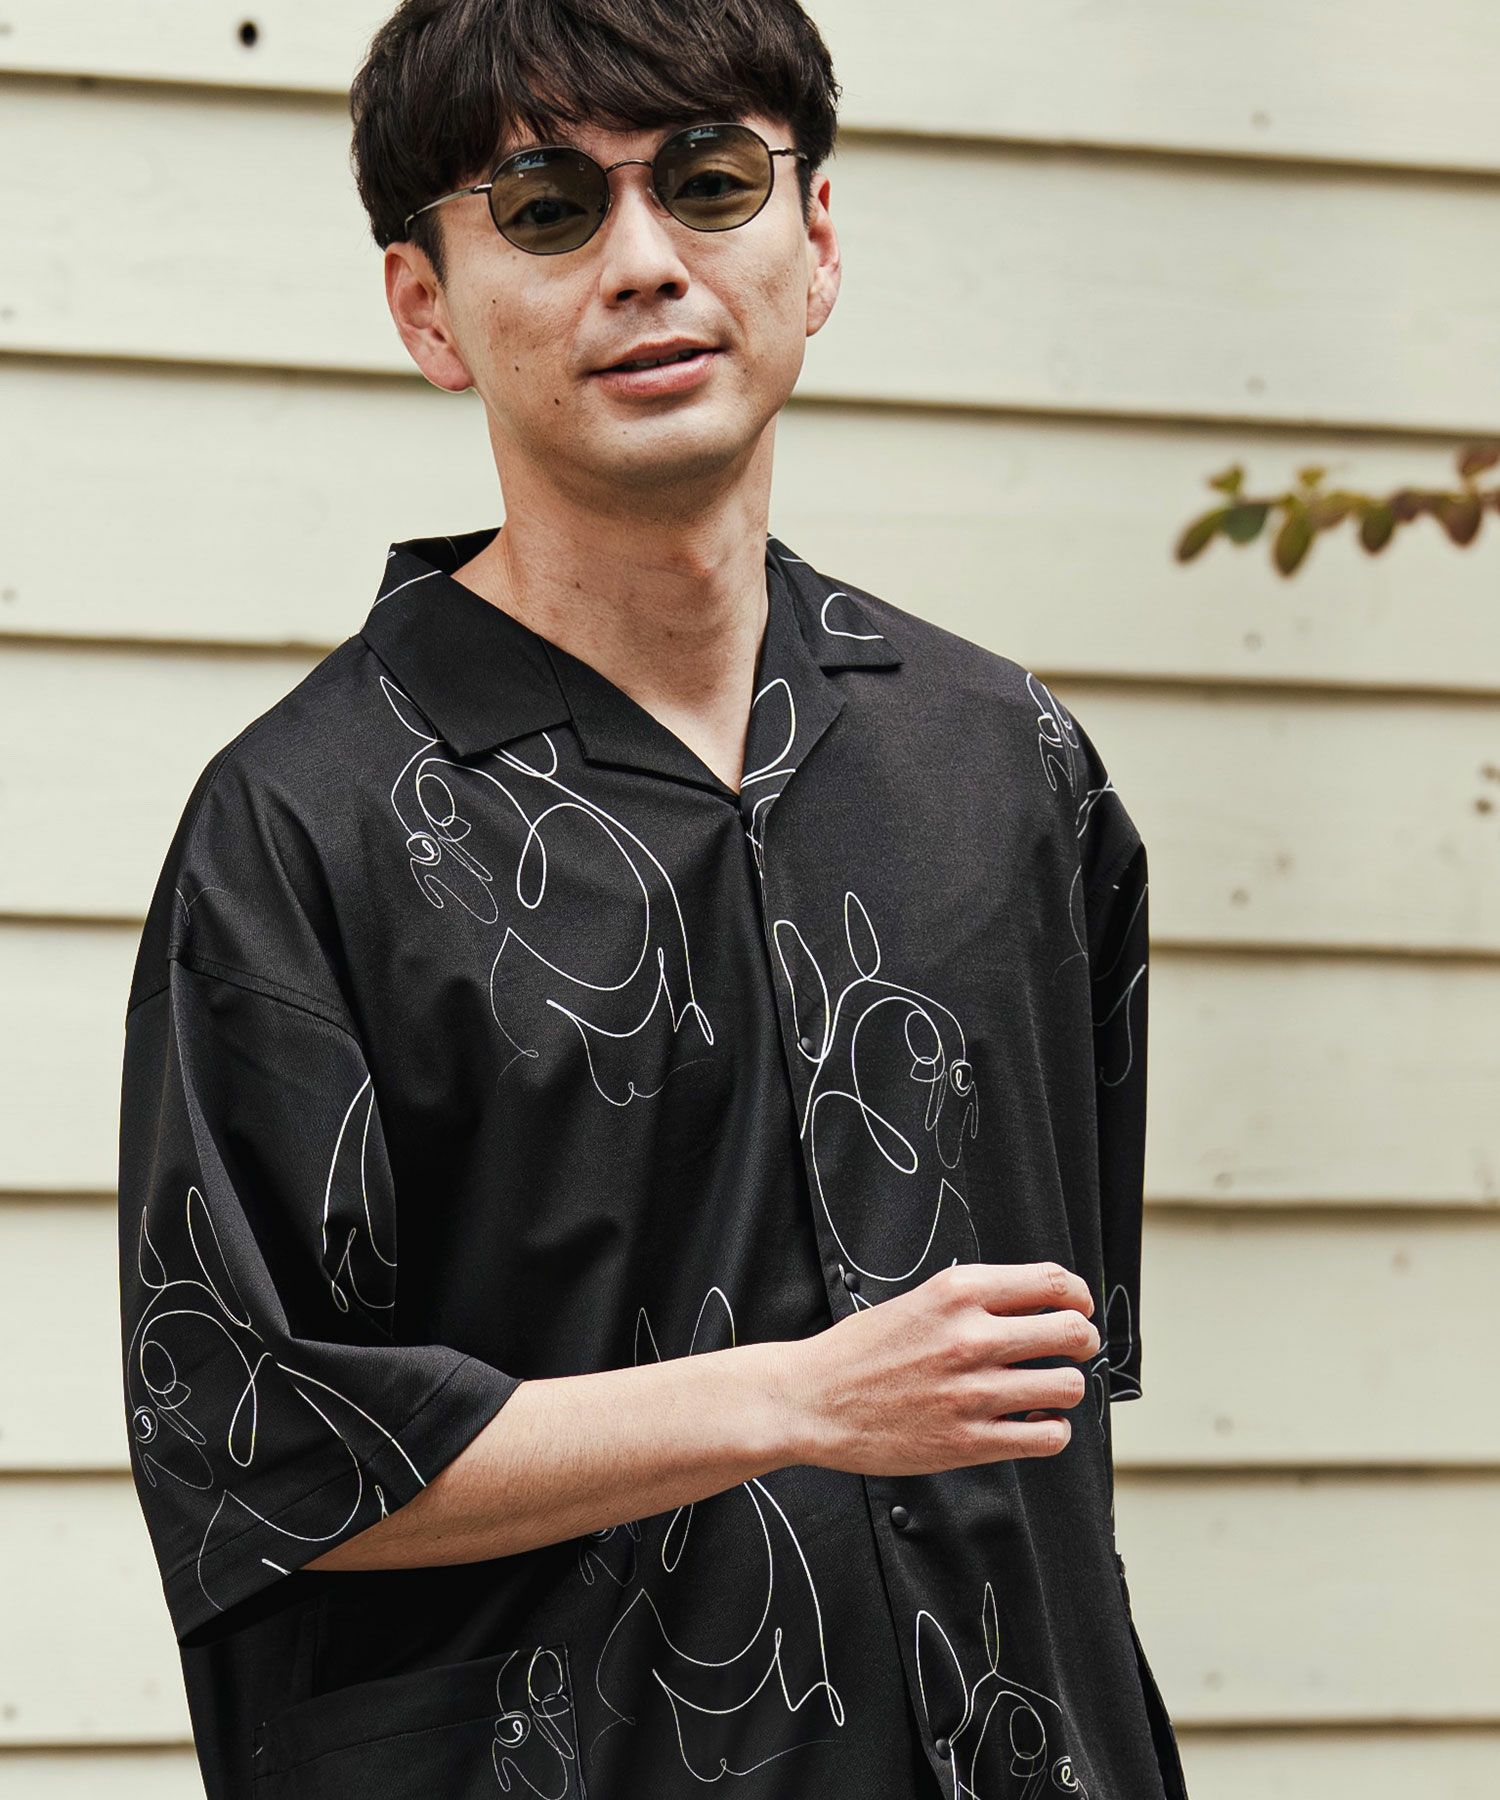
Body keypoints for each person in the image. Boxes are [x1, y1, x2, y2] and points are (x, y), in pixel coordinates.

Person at [117, 2, 1187, 1796]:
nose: (644, 264)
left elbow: (1042, 1411)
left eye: (708, 182)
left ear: (817, 239)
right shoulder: (302, 829)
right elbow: (255, 1461)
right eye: (546, 206)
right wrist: (791, 1398)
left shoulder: (1011, 768)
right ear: (425, 308)